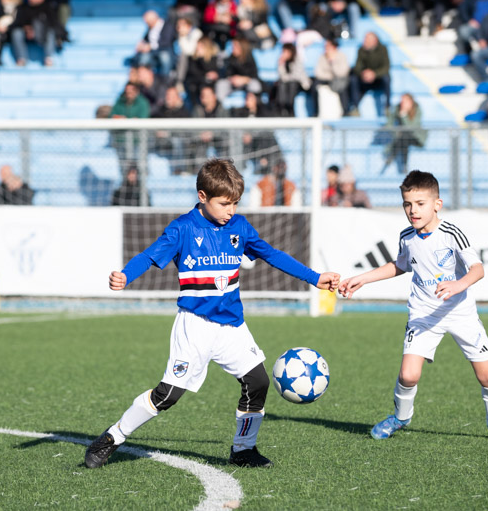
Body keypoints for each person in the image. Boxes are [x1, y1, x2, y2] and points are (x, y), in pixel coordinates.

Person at [83, 158, 340, 470]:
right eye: (224, 203)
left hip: (232, 325)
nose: (231, 210)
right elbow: (149, 256)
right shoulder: (183, 228)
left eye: (235, 203)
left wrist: (315, 278)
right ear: (202, 196)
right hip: (195, 326)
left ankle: (243, 450)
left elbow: (272, 255)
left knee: (258, 382)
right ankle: (113, 436)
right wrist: (126, 275)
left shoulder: (239, 227)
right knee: (168, 395)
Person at [338, 170, 488, 442]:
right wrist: (362, 279)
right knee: (408, 375)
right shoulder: (407, 236)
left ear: (437, 204)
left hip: (460, 314)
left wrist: (458, 285)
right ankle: (400, 418)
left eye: (420, 203)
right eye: (407, 204)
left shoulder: (451, 234)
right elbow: (400, 265)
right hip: (424, 315)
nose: (413, 210)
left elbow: (477, 269)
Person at [10, 0, 61, 67]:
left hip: (43, 35)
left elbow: (54, 24)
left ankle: (48, 58)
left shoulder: (48, 8)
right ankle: (22, 59)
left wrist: (37, 30)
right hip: (26, 35)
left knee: (50, 31)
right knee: (16, 32)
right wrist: (27, 29)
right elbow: (16, 23)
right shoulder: (22, 8)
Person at [348, 32, 391, 116]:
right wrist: (363, 74)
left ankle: (387, 107)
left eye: (367, 39)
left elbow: (386, 67)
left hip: (378, 80)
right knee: (353, 79)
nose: (364, 41)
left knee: (386, 79)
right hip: (365, 80)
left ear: (374, 41)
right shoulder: (361, 50)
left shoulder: (383, 49)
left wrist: (374, 74)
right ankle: (355, 108)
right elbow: (357, 67)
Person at [384, 93, 427, 174]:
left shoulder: (417, 109)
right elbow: (389, 123)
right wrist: (396, 132)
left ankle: (391, 157)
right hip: (403, 138)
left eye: (405, 101)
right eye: (402, 101)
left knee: (404, 136)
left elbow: (412, 127)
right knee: (404, 139)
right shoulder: (397, 108)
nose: (402, 103)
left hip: (416, 137)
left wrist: (404, 116)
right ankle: (404, 165)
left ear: (411, 101)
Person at [215, 36, 262, 103]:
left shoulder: (250, 58)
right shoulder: (230, 59)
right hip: (233, 84)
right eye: (233, 46)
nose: (233, 48)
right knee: (221, 84)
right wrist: (233, 79)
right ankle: (222, 105)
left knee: (255, 85)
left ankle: (252, 104)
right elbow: (227, 74)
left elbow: (254, 75)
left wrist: (244, 79)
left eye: (235, 46)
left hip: (247, 84)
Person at [131, 10, 176, 78]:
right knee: (144, 58)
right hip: (152, 53)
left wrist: (150, 46)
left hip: (164, 50)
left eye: (148, 22)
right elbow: (145, 39)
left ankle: (165, 78)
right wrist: (141, 44)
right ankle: (145, 78)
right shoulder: (151, 29)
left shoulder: (167, 25)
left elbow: (166, 41)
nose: (147, 24)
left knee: (165, 58)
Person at [313, 38, 350, 116]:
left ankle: (345, 110)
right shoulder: (322, 57)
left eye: (328, 46)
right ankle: (316, 111)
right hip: (326, 79)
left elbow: (342, 73)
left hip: (339, 79)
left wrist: (332, 62)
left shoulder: (342, 56)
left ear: (334, 47)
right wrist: (330, 76)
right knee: (314, 86)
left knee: (343, 87)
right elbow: (318, 73)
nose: (326, 48)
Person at [272, 43, 310, 117]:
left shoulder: (297, 59)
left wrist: (286, 78)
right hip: (287, 84)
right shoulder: (281, 61)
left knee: (292, 84)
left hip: (300, 84)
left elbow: (296, 76)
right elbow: (281, 76)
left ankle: (290, 107)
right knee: (282, 84)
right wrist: (281, 64)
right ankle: (283, 108)